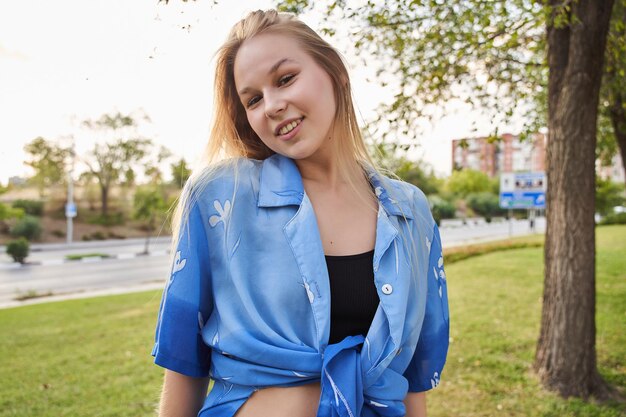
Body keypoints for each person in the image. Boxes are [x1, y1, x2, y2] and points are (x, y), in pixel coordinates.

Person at [152, 9, 449, 417]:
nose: (272, 105)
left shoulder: (410, 210)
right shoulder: (222, 196)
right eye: (253, 99)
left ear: (335, 73)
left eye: (285, 79)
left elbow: (411, 377)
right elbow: (184, 362)